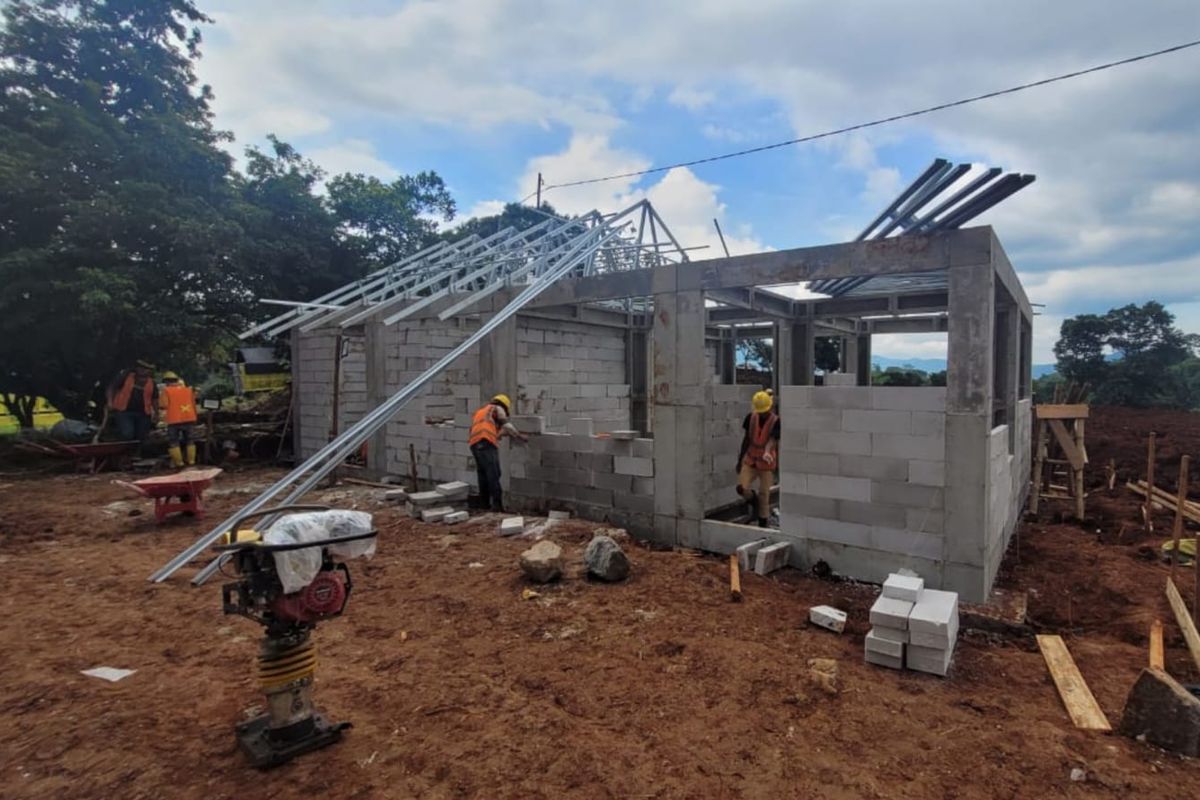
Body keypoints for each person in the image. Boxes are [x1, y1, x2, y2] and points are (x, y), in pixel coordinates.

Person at [468, 393, 527, 512]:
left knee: (483, 474)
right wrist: (520, 436)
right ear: (504, 406)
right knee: (494, 473)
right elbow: (506, 424)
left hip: (474, 444)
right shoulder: (497, 408)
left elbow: (493, 431)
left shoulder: (481, 412)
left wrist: (501, 433)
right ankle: (497, 506)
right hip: (485, 442)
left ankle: (484, 504)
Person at [736, 390, 781, 528]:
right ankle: (753, 501)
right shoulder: (751, 418)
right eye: (760, 411)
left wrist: (767, 452)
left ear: (770, 407)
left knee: (764, 494)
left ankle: (762, 523)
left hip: (766, 463)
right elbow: (746, 439)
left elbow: (773, 439)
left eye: (764, 411)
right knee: (741, 488)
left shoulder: (775, 421)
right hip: (750, 460)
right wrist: (740, 459)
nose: (762, 414)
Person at [106, 360, 158, 453]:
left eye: (146, 369)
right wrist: (110, 402)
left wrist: (156, 413)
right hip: (124, 411)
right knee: (127, 434)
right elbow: (112, 388)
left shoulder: (152, 383)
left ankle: (135, 455)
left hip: (144, 414)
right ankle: (122, 453)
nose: (142, 370)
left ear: (150, 371)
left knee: (141, 436)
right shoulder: (125, 377)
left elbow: (154, 399)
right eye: (140, 368)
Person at [159, 371, 198, 467]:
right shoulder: (188, 390)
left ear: (167, 381)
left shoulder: (166, 391)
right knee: (190, 440)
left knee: (173, 441)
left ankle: (179, 463)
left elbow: (163, 405)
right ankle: (191, 461)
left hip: (174, 420)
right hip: (189, 418)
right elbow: (194, 403)